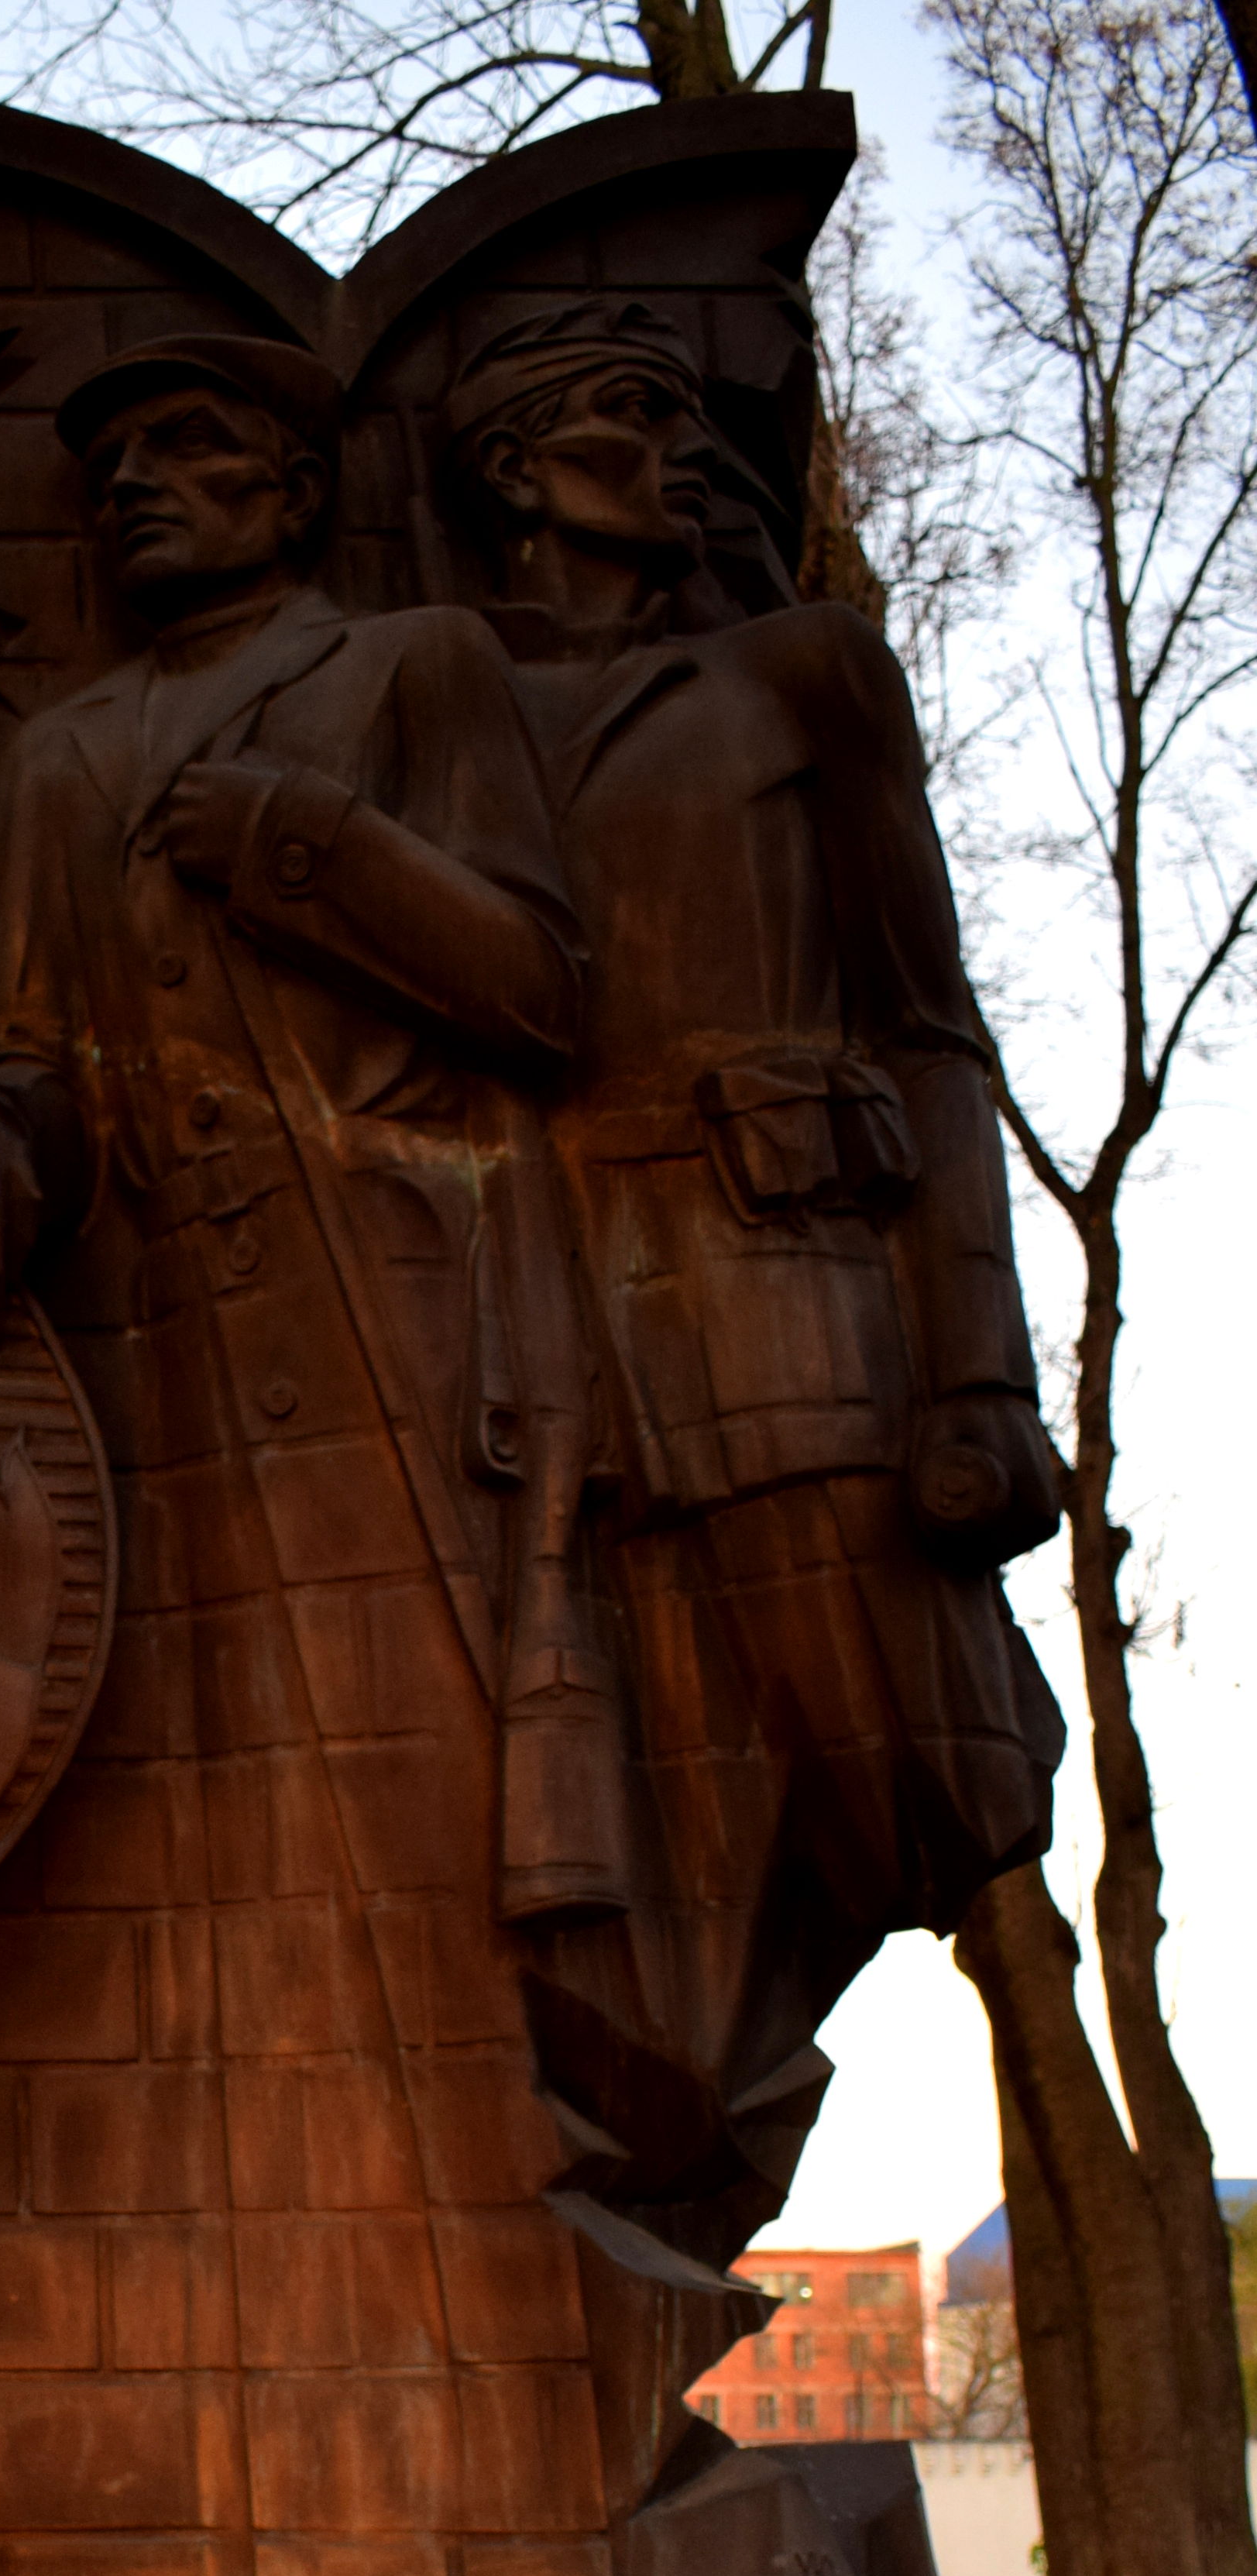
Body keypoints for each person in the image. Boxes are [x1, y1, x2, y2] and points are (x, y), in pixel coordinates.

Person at [0, 329, 623, 2576]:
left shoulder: (409, 669)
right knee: (191, 1916)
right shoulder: (59, 761)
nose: (144, 502)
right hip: (144, 1400)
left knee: (419, 1893)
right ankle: (218, 2486)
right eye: (111, 473)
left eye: (195, 457)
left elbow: (546, 984)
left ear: (299, 490)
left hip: (396, 1344)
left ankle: (495, 2479)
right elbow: (23, 1049)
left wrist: (306, 851)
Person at [448, 301, 1062, 2344]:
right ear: (516, 472)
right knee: (641, 1859)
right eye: (626, 411)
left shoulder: (804, 673)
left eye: (695, 420)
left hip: (799, 1298)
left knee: (914, 1778)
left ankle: (682, 2178)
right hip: (551, 1353)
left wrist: (977, 1365)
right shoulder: (447, 711)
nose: (681, 450)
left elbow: (929, 1030)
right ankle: (635, 2256)